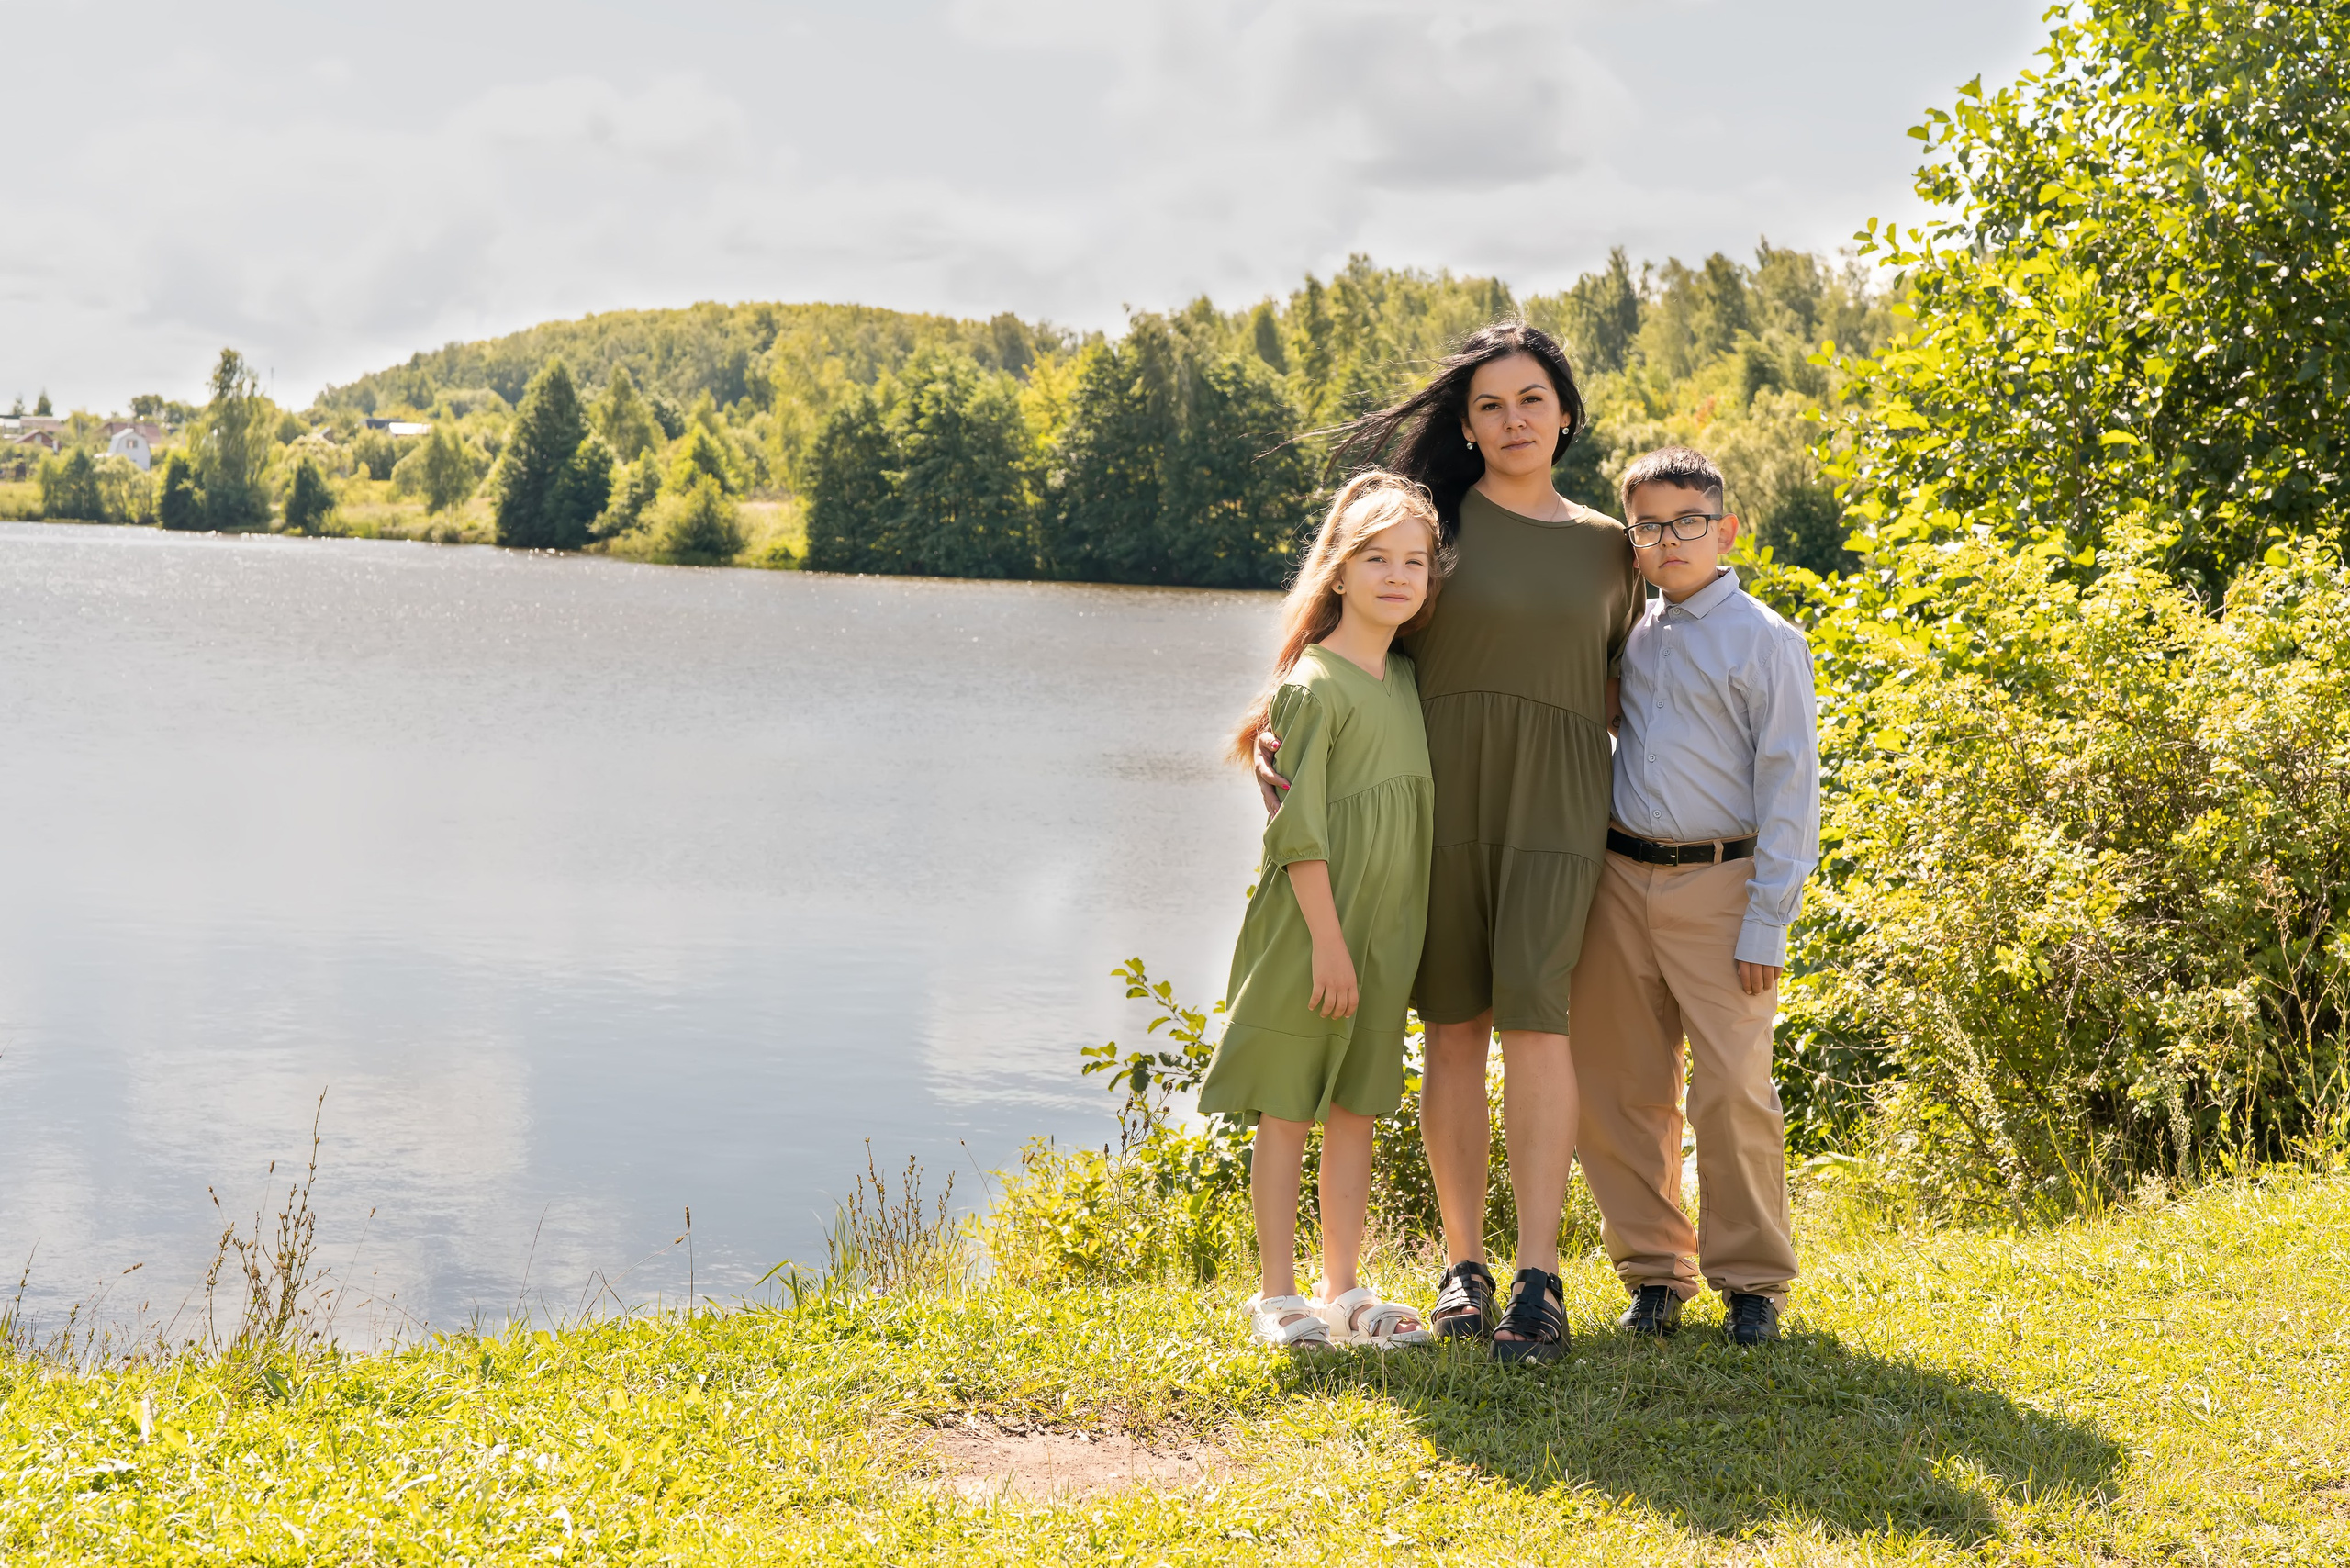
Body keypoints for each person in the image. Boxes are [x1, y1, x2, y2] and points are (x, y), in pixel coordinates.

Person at [1257, 324, 1641, 1362]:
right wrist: (1285, 746)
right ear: (1465, 428)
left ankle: (1539, 1276)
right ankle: (1462, 1267)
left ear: (1564, 410)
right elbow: (1345, 640)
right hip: (1438, 803)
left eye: (1530, 399)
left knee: (1539, 1026)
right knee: (1455, 1030)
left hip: (1558, 811)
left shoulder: (1615, 545)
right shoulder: (1435, 528)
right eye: (1488, 406)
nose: (1512, 420)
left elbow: (1621, 686)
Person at [1569, 445, 1819, 1346]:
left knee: (1732, 1090)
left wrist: (1767, 920)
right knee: (1622, 1087)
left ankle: (1751, 1283)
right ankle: (1653, 1275)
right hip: (1617, 879)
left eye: (1687, 523)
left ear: (1725, 529)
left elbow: (1791, 789)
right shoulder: (1631, 631)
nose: (1668, 540)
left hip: (1722, 887)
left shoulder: (1766, 639)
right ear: (1630, 536)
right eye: (1648, 526)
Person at [1207, 471, 1449, 1350]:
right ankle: (1277, 1296)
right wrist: (1330, 944)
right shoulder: (1314, 686)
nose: (1397, 575)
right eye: (1375, 558)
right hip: (1317, 934)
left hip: (1384, 935)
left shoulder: (1409, 681)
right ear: (1338, 574)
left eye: (1414, 561)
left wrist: (1376, 945)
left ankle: (1344, 1291)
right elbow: (1298, 832)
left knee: (1357, 1108)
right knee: (1290, 1106)